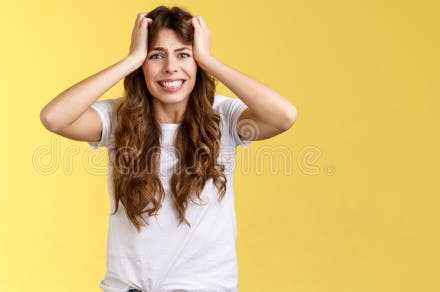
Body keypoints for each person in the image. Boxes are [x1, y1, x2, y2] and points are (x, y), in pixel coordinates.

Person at [40, 5, 297, 292]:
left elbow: (284, 115)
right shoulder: (118, 119)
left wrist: (209, 60)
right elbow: (54, 118)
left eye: (184, 54)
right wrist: (131, 59)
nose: (170, 67)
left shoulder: (223, 117)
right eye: (156, 55)